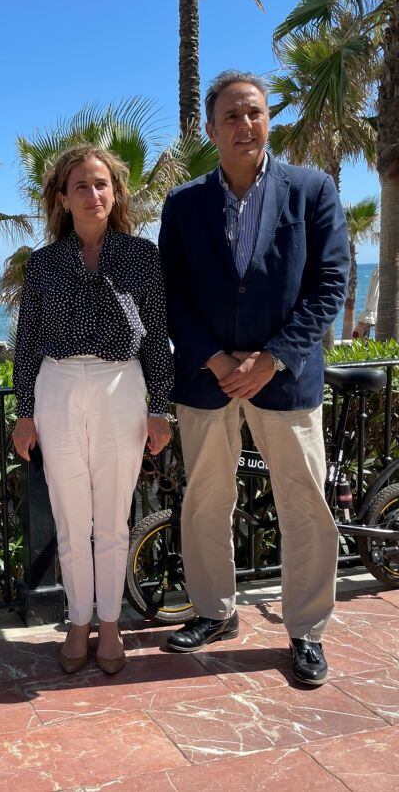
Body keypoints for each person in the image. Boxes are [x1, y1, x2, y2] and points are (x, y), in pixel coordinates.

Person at [157, 71, 349, 686]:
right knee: (206, 499)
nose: (246, 125)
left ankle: (306, 631)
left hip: (286, 378)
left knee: (306, 505)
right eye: (232, 116)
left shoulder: (312, 190)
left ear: (270, 120)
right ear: (211, 129)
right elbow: (172, 296)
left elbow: (330, 285)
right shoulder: (183, 205)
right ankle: (215, 612)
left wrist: (272, 357)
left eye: (256, 113)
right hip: (207, 379)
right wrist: (214, 359)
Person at [12, 145, 174, 675]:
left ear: (115, 193)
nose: (93, 193)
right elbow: (28, 340)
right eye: (81, 185)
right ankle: (77, 621)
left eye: (101, 184)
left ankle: (110, 625)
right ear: (63, 197)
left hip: (119, 386)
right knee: (69, 515)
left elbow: (156, 338)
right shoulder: (43, 263)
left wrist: (160, 408)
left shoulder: (141, 256)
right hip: (57, 386)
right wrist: (26, 411)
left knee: (112, 518)